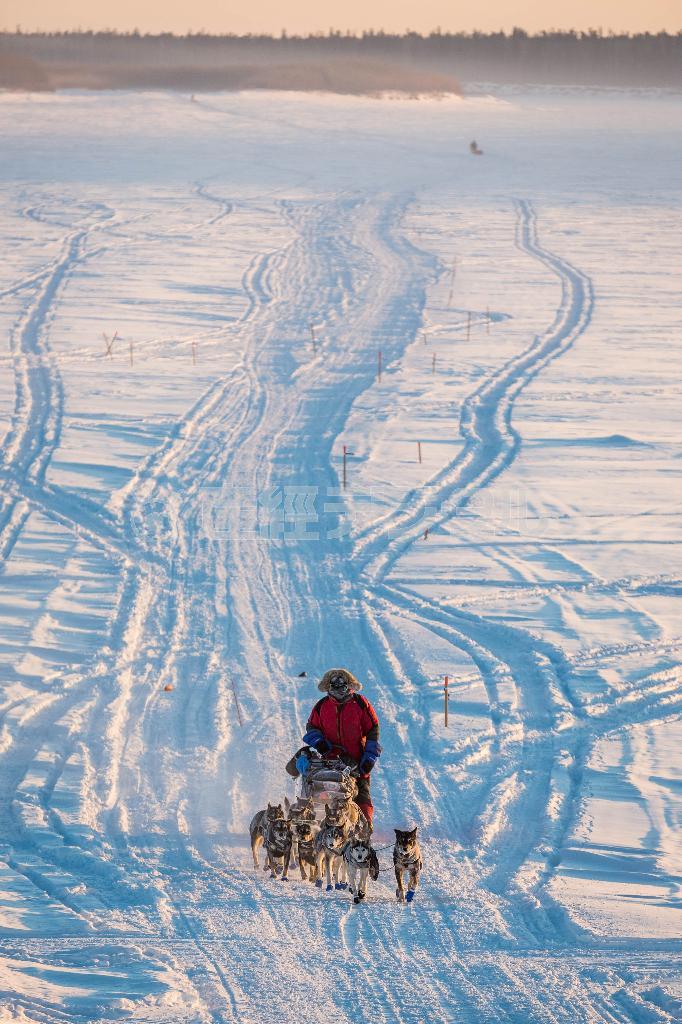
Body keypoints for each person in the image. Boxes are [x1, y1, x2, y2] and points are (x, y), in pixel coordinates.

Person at [300, 668, 381, 825]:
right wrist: (319, 743)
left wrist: (370, 756)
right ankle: (312, 823)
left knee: (361, 795)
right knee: (318, 790)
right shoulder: (321, 706)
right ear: (328, 687)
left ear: (349, 685)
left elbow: (373, 729)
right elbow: (312, 727)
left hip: (356, 760)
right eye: (334, 687)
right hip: (328, 760)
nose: (338, 691)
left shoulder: (360, 703)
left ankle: (365, 829)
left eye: (342, 687)